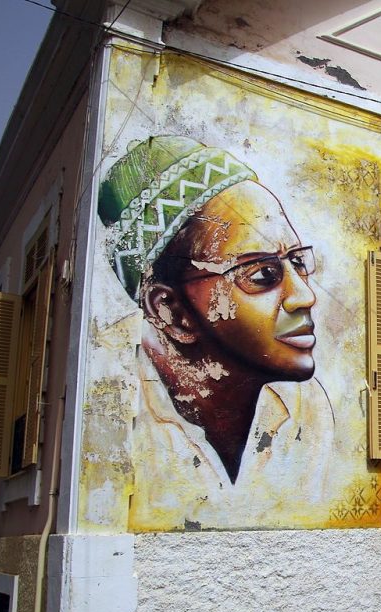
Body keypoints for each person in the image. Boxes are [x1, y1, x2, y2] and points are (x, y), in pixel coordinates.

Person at [98, 136, 336, 528]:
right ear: (171, 312)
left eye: (298, 262)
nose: (305, 296)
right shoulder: (113, 408)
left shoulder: (306, 413)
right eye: (262, 275)